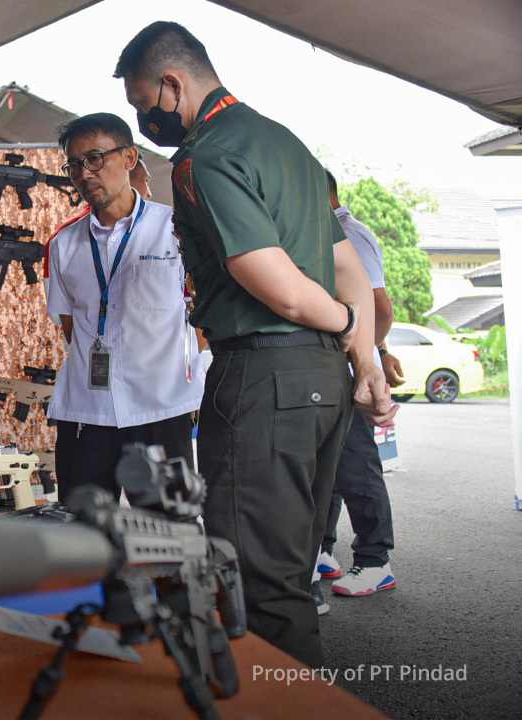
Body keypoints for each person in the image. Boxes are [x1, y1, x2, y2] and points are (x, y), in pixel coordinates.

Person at [116, 21, 395, 668]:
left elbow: (283, 290)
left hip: (267, 380)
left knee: (259, 588)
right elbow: (349, 267)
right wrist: (363, 354)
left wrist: (335, 323)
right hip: (321, 385)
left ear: (171, 83)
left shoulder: (204, 155)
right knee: (290, 573)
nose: (143, 122)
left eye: (141, 105)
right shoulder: (285, 143)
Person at [45, 112, 203, 505]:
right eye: (74, 165)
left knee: (168, 538)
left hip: (160, 411)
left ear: (130, 158)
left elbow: (200, 315)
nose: (84, 174)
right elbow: (70, 325)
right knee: (83, 542)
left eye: (95, 159)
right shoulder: (63, 245)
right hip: (86, 414)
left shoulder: (175, 229)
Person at [317, 170, 405, 599]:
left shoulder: (350, 234)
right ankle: (322, 549)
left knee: (356, 467)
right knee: (327, 466)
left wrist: (367, 359)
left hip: (350, 372)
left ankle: (375, 561)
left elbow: (379, 307)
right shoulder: (322, 232)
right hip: (328, 371)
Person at [43, 156, 152, 325]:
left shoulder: (168, 228)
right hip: (87, 348)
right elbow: (60, 315)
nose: (149, 192)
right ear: (126, 179)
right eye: (145, 181)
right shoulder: (63, 239)